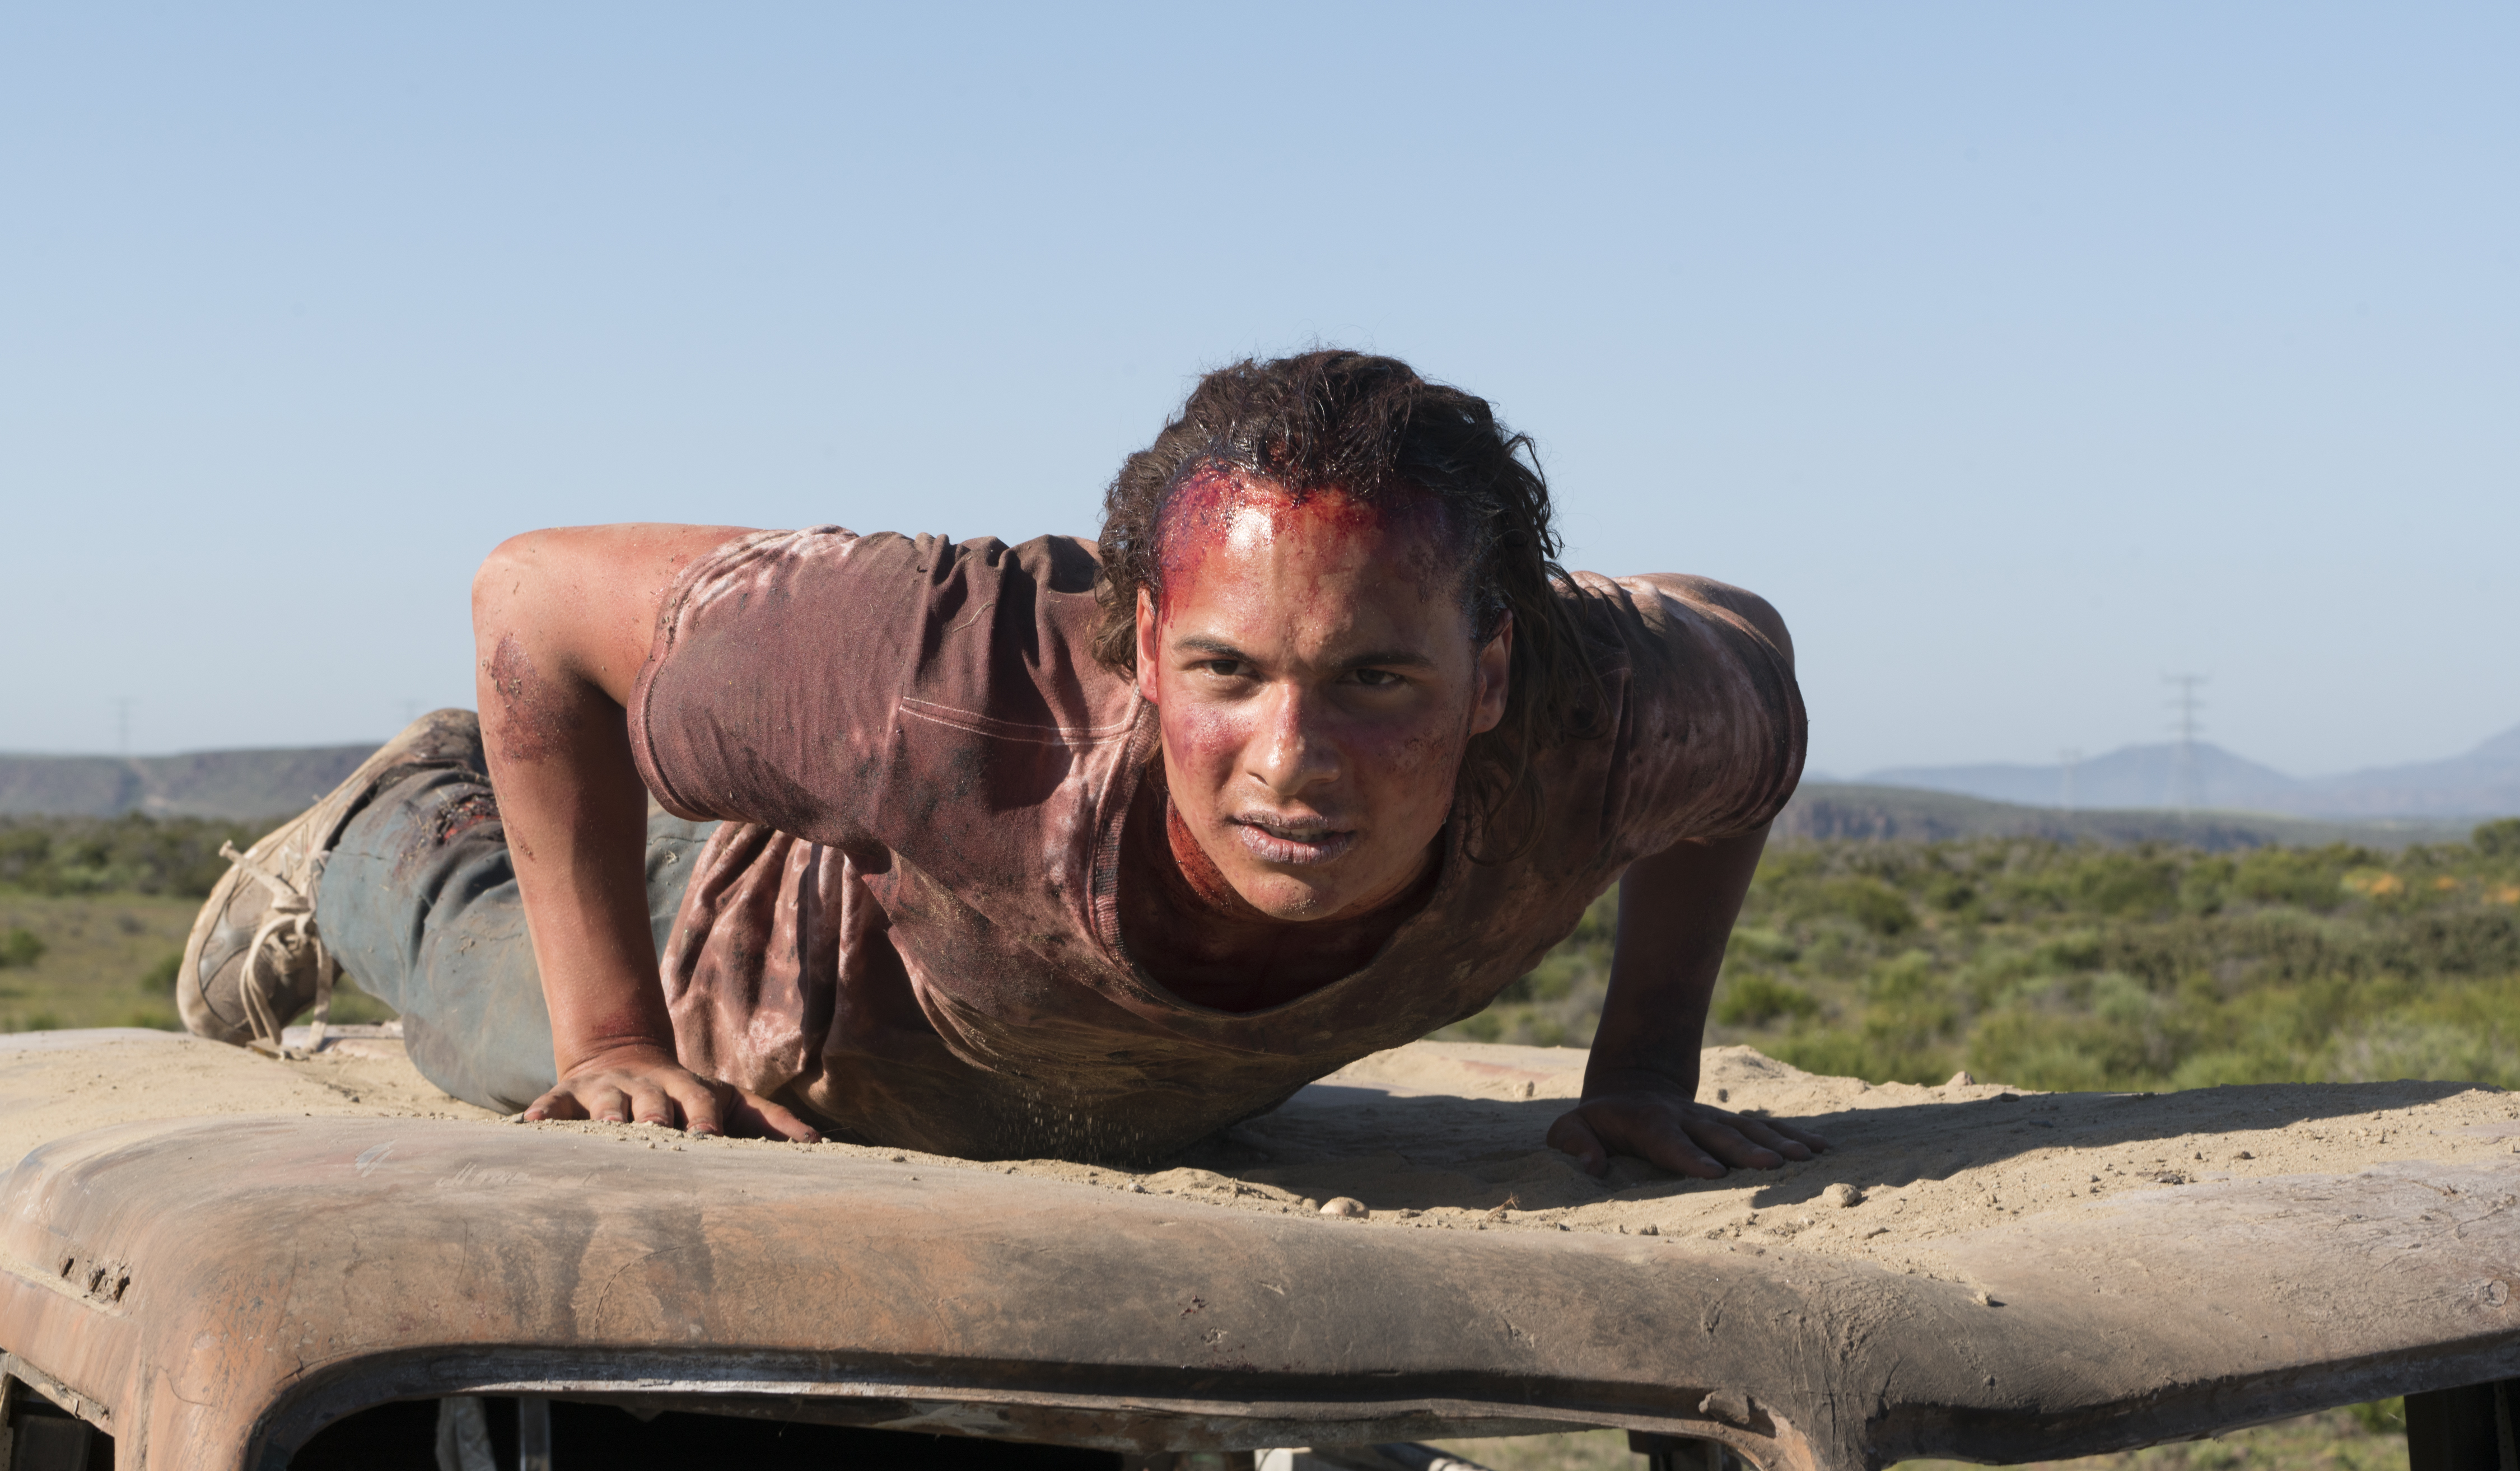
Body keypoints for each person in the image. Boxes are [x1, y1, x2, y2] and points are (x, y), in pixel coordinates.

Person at [179, 351, 1826, 1178]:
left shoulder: (1606, 712)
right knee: (498, 1012)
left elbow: (1740, 643)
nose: (1292, 759)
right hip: (775, 990)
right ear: (1137, 643)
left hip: (1103, 1079)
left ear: (1492, 675)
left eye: (1377, 680)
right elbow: (531, 595)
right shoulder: (937, 681)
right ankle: (370, 826)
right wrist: (620, 1032)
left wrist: (1642, 1073)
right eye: (1226, 674)